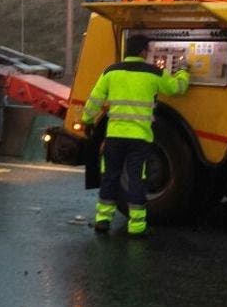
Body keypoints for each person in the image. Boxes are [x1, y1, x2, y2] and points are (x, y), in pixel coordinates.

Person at [81, 34, 189, 236]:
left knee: (110, 176)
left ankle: (103, 220)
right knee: (136, 179)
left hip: (114, 136)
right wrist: (183, 71)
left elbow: (94, 100)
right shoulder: (153, 73)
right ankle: (136, 225)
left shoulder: (111, 72)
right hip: (139, 139)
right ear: (142, 52)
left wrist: (86, 120)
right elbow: (177, 88)